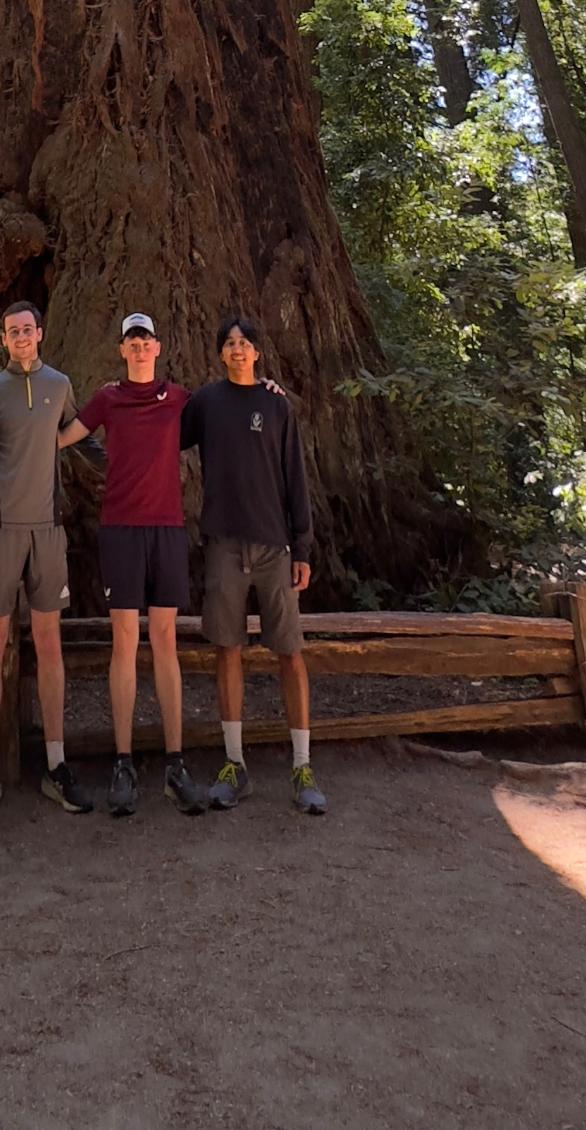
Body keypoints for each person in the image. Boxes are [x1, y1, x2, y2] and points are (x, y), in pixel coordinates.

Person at [61, 311, 217, 816]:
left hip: (168, 529)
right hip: (121, 530)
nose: (140, 347)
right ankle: (123, 762)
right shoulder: (108, 398)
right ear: (122, 351)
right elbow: (63, 436)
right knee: (125, 640)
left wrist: (270, 390)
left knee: (166, 640)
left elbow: (225, 416)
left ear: (159, 346)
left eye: (146, 339)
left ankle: (175, 763)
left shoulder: (179, 399)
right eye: (132, 341)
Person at [180, 313, 326, 815]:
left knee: (289, 651)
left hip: (274, 546)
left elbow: (296, 478)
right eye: (229, 343)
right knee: (228, 648)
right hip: (223, 543)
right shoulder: (205, 402)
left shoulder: (277, 405)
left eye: (246, 342)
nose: (238, 349)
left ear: (258, 352)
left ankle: (302, 764)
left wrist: (302, 547)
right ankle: (234, 763)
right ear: (221, 354)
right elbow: (164, 432)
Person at [0, 299, 92, 818]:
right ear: (4, 339)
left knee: (49, 642)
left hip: (48, 530)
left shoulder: (60, 385)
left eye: (27, 329)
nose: (21, 337)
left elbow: (76, 434)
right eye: (12, 331)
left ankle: (57, 764)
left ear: (40, 333)